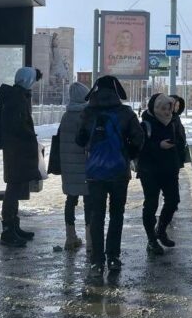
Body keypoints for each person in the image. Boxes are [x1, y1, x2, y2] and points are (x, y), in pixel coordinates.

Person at [76, 76, 144, 276]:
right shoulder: (125, 112)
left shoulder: (88, 112)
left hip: (95, 173)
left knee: (96, 215)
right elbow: (139, 138)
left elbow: (79, 139)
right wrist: (126, 154)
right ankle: (113, 257)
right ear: (117, 91)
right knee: (117, 215)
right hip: (119, 172)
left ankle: (97, 261)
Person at [0, 67, 43, 247]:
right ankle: (8, 231)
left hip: (16, 150)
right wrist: (31, 137)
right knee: (13, 189)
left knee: (14, 189)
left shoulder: (16, 96)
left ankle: (13, 227)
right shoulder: (17, 99)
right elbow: (18, 125)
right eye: (32, 80)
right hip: (17, 151)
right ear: (27, 80)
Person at [138, 94, 187, 255]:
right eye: (164, 109)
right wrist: (158, 145)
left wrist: (178, 149)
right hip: (149, 170)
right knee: (151, 204)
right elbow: (139, 146)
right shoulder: (145, 124)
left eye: (169, 109)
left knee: (173, 201)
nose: (167, 112)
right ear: (155, 108)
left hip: (170, 169)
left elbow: (180, 141)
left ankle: (161, 229)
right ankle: (151, 239)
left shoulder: (173, 122)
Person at [59, 82, 91, 252]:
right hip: (85, 165)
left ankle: (70, 237)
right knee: (88, 202)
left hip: (69, 168)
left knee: (70, 201)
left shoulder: (66, 116)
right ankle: (90, 240)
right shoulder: (86, 116)